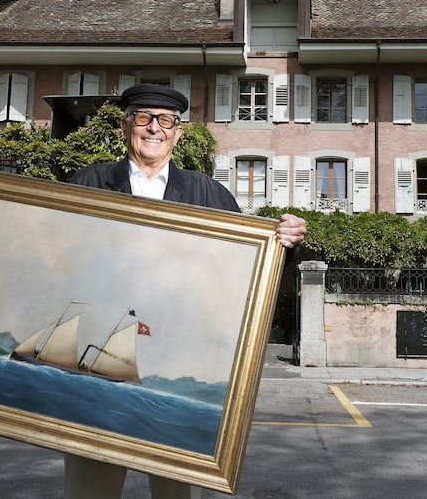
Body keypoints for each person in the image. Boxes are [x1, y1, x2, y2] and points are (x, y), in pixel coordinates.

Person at [65, 83, 307, 499]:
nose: (154, 128)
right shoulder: (88, 181)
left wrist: (285, 245)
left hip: (173, 358)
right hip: (101, 350)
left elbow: (242, 275)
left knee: (174, 490)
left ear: (178, 133)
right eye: (143, 118)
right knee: (91, 488)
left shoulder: (208, 194)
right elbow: (64, 256)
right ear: (126, 126)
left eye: (166, 121)